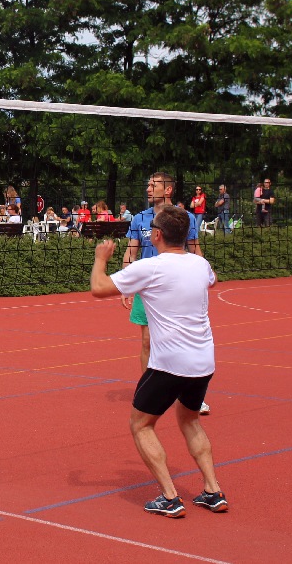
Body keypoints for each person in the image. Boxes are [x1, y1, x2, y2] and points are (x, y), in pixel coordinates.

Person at [91, 205, 226, 517]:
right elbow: (212, 279)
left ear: (157, 235)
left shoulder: (150, 268)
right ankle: (212, 490)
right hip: (203, 361)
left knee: (140, 425)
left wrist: (100, 260)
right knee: (189, 418)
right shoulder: (200, 264)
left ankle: (169, 496)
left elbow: (99, 289)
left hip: (170, 363)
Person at [123, 172, 209, 415]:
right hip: (147, 288)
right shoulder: (140, 219)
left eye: (154, 185)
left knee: (182, 340)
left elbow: (195, 250)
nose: (149, 188)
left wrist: (202, 279)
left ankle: (190, 395)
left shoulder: (185, 218)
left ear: (168, 190)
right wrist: (127, 283)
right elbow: (131, 252)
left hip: (176, 288)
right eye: (148, 184)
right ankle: (150, 393)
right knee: (148, 341)